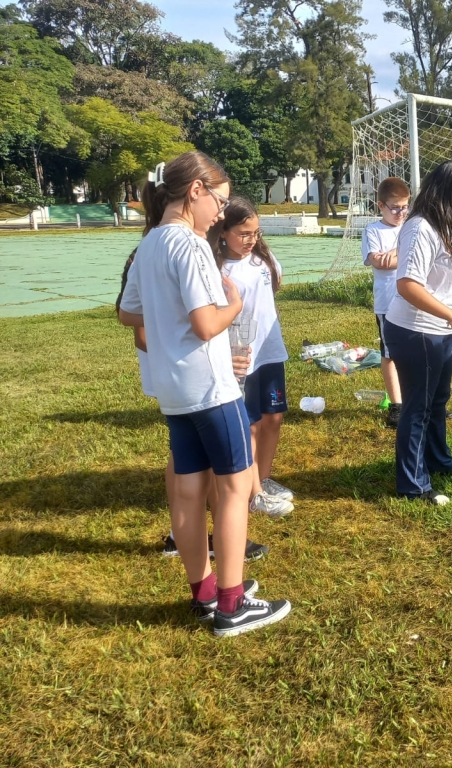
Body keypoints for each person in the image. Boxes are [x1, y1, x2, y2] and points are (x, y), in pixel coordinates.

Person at [118, 151, 290, 637]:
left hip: (174, 390)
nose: (220, 213)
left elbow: (128, 312)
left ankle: (205, 592)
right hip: (213, 388)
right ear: (195, 191)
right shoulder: (191, 246)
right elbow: (206, 323)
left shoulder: (149, 244)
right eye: (219, 201)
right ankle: (232, 606)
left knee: (188, 490)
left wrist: (168, 318)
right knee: (234, 489)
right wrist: (233, 303)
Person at [115, 251, 270, 562]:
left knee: (188, 458)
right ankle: (213, 541)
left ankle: (187, 536)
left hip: (184, 378)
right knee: (204, 464)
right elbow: (141, 333)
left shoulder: (166, 253)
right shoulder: (163, 255)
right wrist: (211, 351)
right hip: (188, 379)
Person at [383, 161, 452, 506]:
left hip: (439, 331)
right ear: (443, 193)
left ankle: (438, 461)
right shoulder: (420, 228)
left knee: (437, 401)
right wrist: (451, 316)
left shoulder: (448, 226)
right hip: (416, 332)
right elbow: (408, 285)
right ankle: (413, 485)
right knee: (418, 408)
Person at [211, 196, 295, 517]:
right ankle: (252, 492)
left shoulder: (263, 258)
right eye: (243, 234)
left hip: (269, 351)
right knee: (251, 425)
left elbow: (273, 286)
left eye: (255, 233)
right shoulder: (219, 269)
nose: (251, 240)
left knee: (273, 417)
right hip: (242, 357)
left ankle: (264, 478)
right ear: (223, 232)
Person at [362, 177, 410, 428]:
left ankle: (423, 401)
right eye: (395, 208)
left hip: (413, 301)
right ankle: (397, 405)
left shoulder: (410, 227)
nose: (401, 213)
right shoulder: (373, 231)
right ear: (381, 205)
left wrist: (396, 253)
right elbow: (379, 262)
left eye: (405, 207)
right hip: (387, 303)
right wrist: (402, 254)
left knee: (417, 350)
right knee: (390, 353)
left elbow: (419, 256)